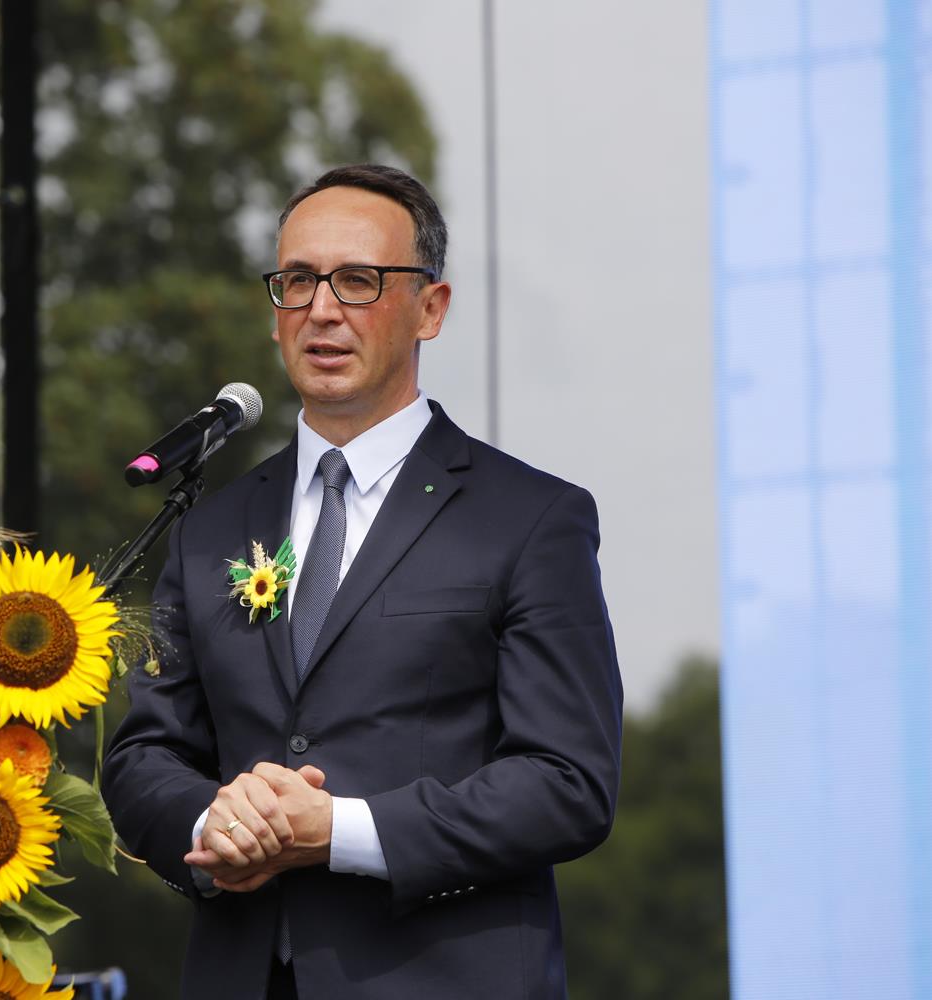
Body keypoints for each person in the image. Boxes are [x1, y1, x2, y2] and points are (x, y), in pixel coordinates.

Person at [102, 163, 623, 999]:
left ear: (431, 308)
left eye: (358, 280)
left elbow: (568, 782)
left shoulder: (529, 519)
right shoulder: (210, 529)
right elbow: (145, 756)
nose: (321, 308)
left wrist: (339, 830)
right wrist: (214, 822)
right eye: (297, 280)